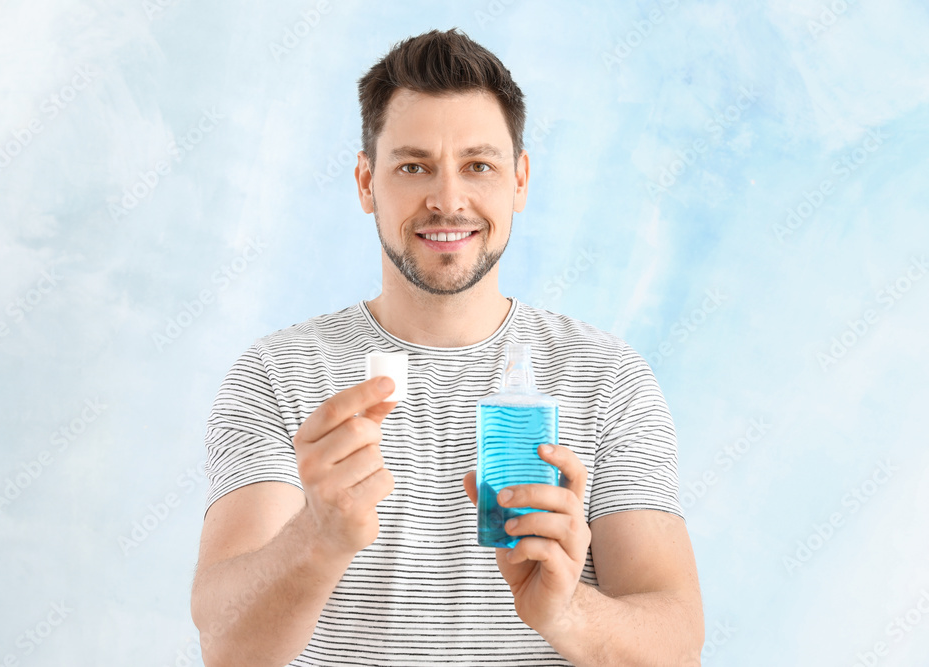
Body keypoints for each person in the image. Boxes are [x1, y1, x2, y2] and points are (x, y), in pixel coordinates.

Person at [190, 28, 704, 666]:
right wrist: (317, 540)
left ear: (519, 181)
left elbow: (677, 648)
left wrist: (564, 611)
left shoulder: (607, 378)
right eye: (413, 167)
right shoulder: (278, 374)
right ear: (365, 183)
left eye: (478, 166)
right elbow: (226, 646)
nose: (448, 200)